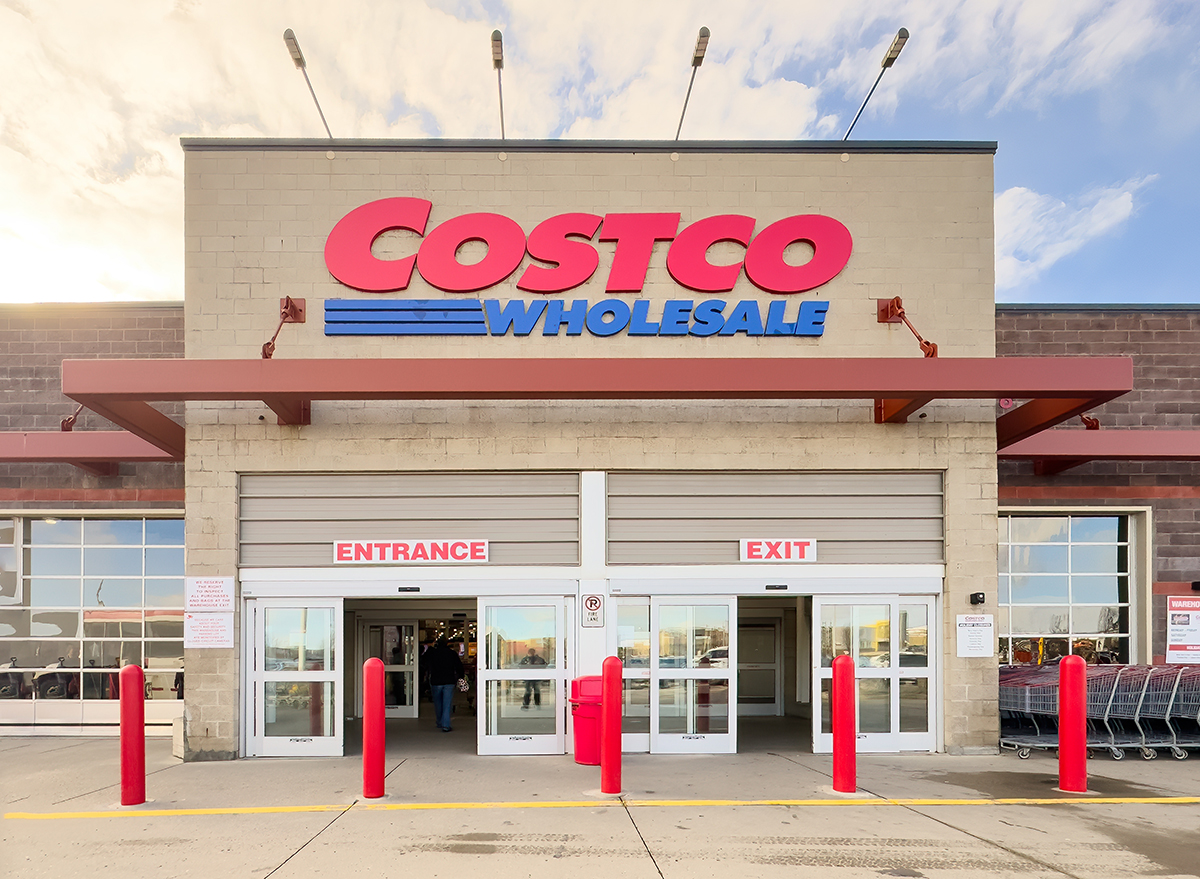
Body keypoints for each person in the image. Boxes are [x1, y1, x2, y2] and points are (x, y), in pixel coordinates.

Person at [424, 635, 464, 732]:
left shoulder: (432, 653)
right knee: (447, 704)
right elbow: (459, 666)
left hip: (436, 681)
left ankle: (439, 722)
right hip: (449, 681)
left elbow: (424, 661)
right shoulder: (452, 654)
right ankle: (446, 725)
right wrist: (461, 676)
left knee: (438, 703)